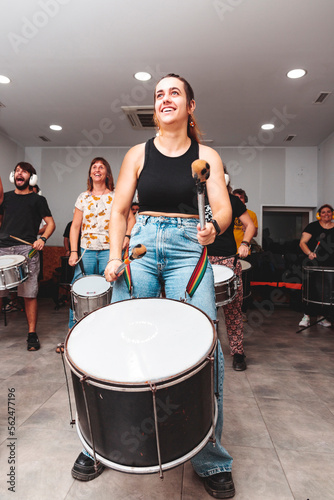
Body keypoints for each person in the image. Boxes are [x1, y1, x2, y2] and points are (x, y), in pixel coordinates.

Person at [100, 73, 234, 498]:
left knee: (202, 346)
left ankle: (209, 457)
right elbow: (119, 211)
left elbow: (222, 210)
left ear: (190, 106)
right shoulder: (137, 154)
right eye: (158, 94)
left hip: (187, 249)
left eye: (174, 92)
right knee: (127, 337)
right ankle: (108, 442)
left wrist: (212, 228)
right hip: (141, 244)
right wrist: (114, 256)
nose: (165, 99)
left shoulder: (206, 154)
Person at [67, 157, 135, 331]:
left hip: (109, 252)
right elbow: (75, 227)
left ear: (107, 173)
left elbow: (131, 219)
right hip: (86, 252)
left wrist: (127, 236)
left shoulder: (116, 196)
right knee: (78, 291)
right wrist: (74, 251)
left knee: (113, 288)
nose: (97, 170)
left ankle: (111, 329)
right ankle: (73, 331)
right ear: (90, 173)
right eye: (94, 167)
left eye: (101, 167)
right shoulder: (83, 197)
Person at [0, 163, 55, 350]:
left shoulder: (38, 200)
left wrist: (43, 239)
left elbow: (50, 223)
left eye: (23, 171)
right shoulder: (5, 199)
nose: (19, 173)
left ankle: (32, 334)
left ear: (32, 178)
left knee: (29, 294)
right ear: (12, 176)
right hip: (3, 250)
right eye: (16, 171)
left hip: (27, 250)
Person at [207, 168, 256, 371]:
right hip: (201, 260)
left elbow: (250, 225)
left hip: (228, 259)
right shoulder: (197, 202)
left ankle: (237, 353)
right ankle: (205, 353)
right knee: (204, 310)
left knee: (233, 309)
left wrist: (245, 243)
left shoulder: (232, 200)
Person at [298, 204, 334, 328]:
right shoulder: (312, 226)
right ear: (319, 214)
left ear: (332, 214)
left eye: (328, 212)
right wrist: (309, 253)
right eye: (323, 212)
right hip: (314, 263)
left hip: (330, 265)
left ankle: (322, 317)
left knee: (326, 292)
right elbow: (302, 243)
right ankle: (306, 316)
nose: (326, 214)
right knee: (311, 289)